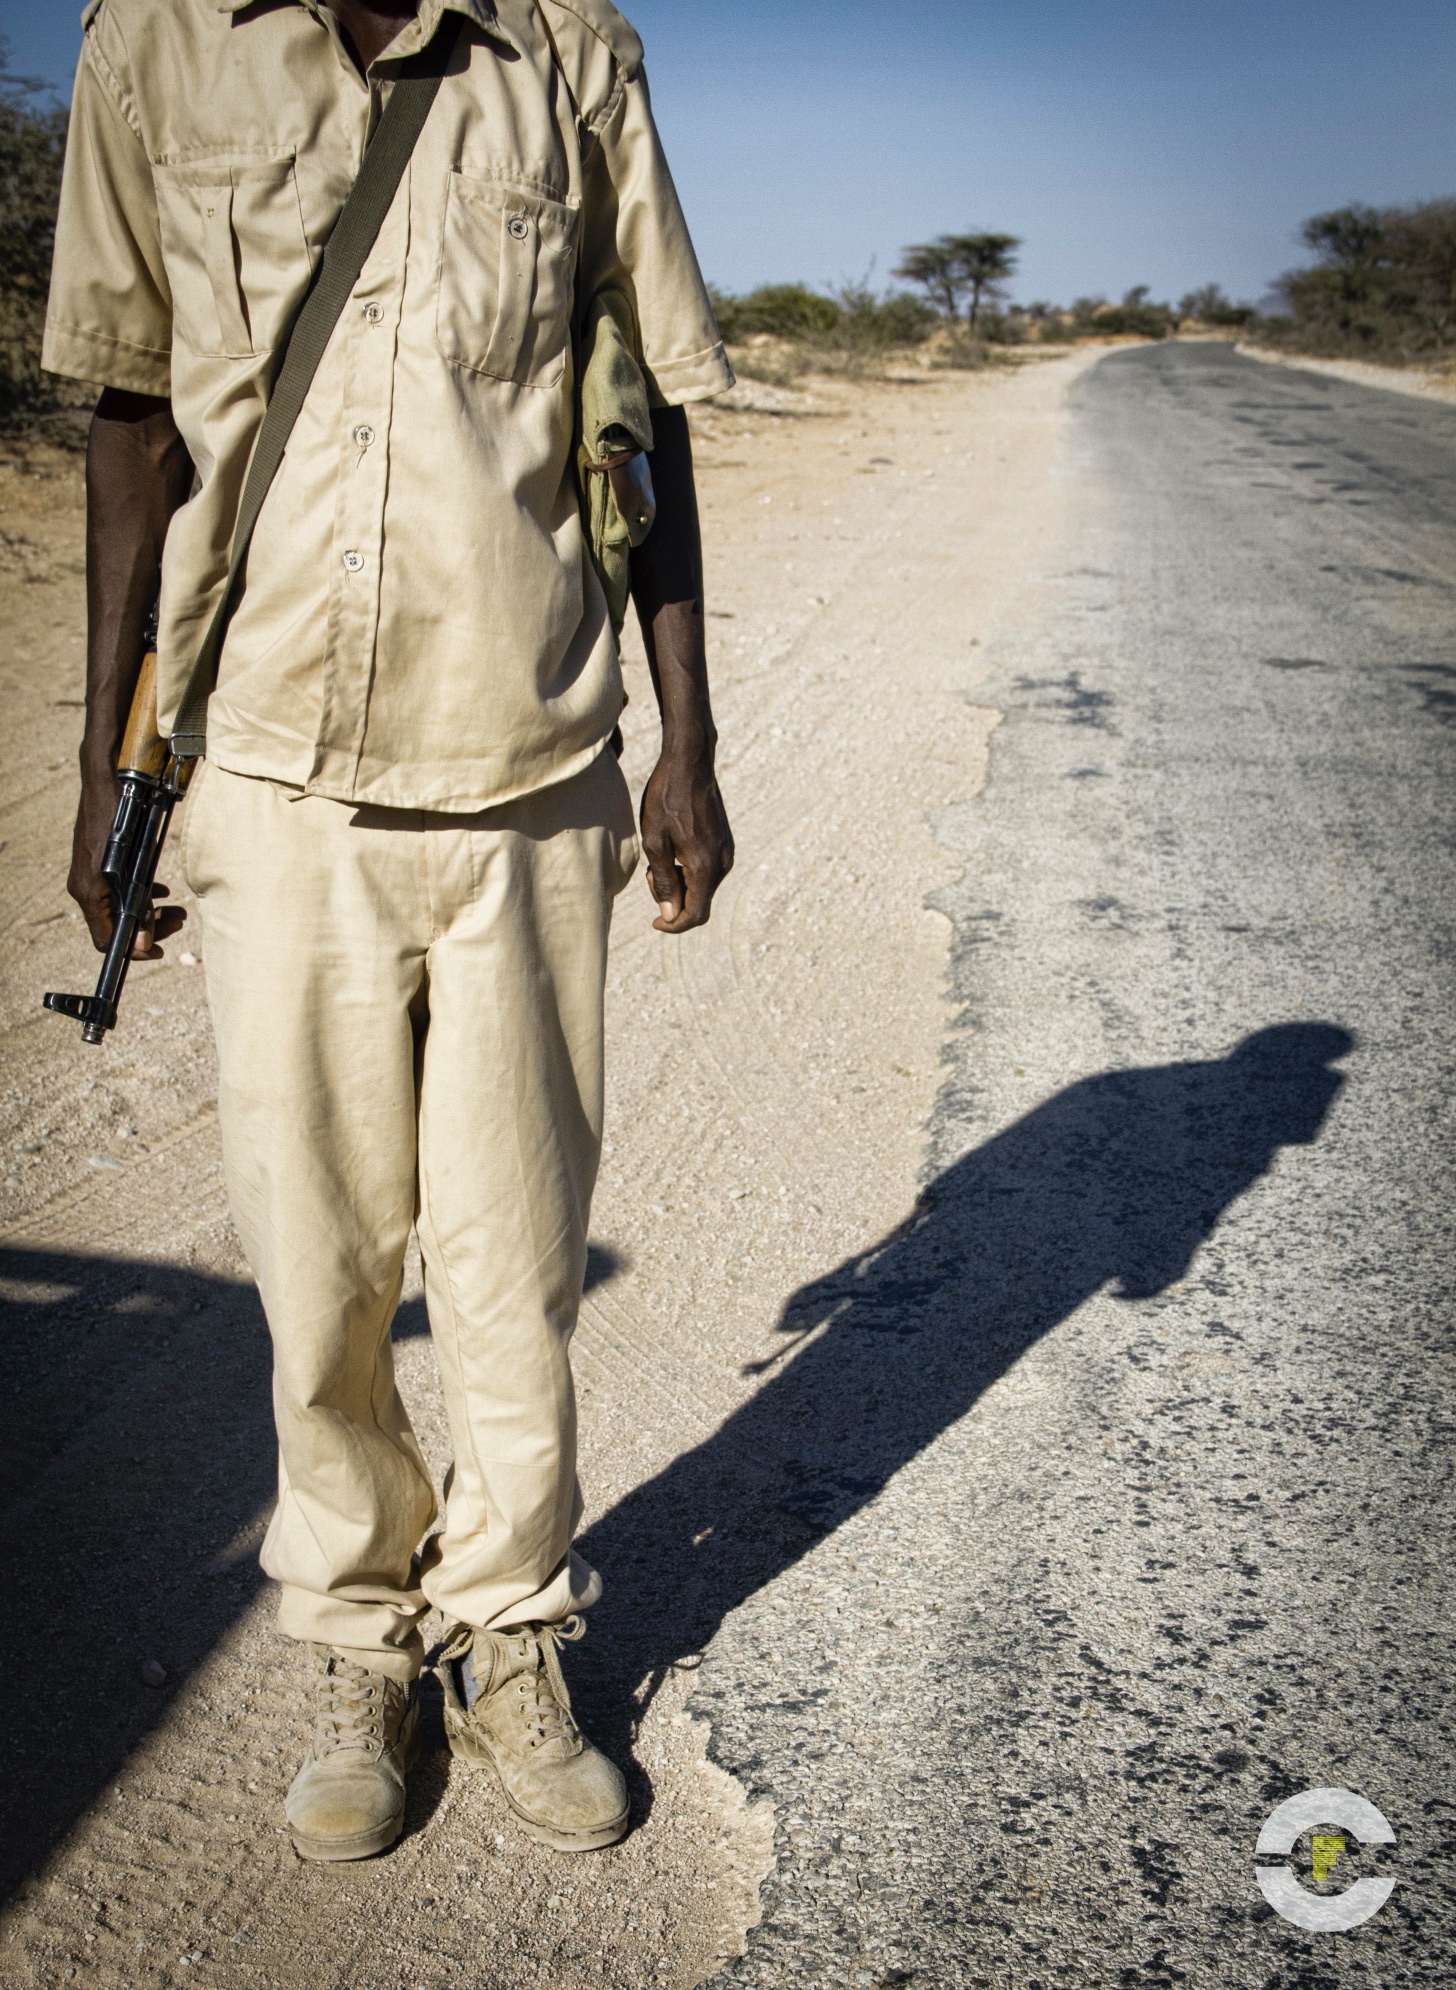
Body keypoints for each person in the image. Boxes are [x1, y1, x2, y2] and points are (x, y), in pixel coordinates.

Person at [45, 0, 734, 1862]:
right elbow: (131, 416)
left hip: (527, 769)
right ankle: (363, 1643)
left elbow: (637, 402)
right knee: (319, 1268)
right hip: (272, 771)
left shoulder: (568, 46)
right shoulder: (157, 47)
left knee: (511, 1262)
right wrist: (114, 761)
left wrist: (691, 735)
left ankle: (512, 1635)